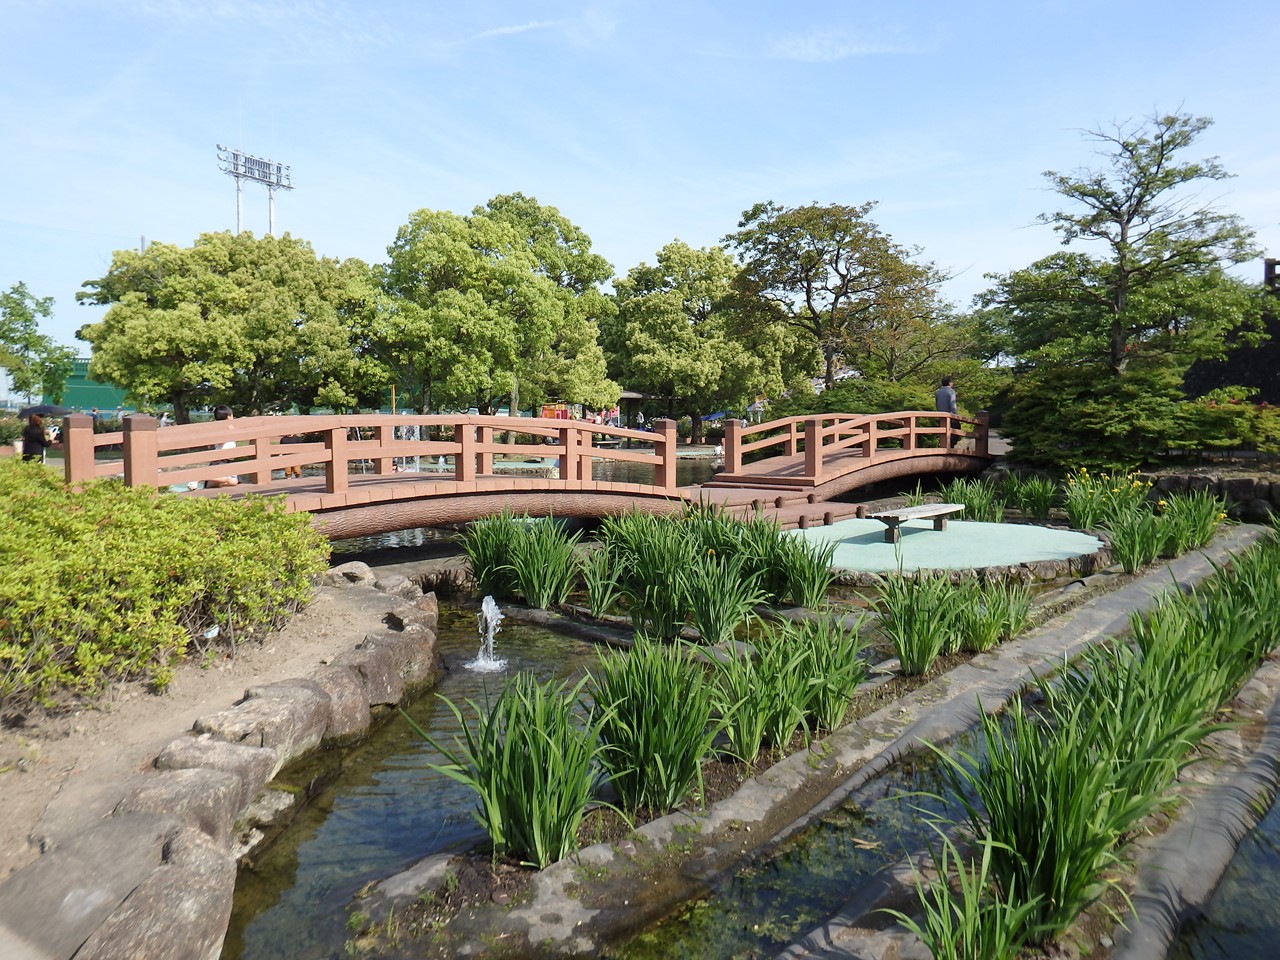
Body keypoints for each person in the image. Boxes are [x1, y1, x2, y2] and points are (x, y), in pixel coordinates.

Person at [205, 405, 240, 488]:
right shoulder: (220, 429)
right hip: (220, 460)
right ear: (228, 417)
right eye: (232, 416)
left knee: (233, 481)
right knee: (229, 480)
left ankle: (209, 482)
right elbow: (220, 442)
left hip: (228, 460)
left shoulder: (231, 427)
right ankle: (201, 478)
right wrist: (228, 432)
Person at [935, 377, 959, 447]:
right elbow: (953, 405)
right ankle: (950, 447)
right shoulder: (951, 391)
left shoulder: (938, 392)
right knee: (955, 432)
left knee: (943, 432)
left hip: (941, 415)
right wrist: (954, 415)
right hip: (950, 415)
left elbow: (937, 404)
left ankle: (942, 445)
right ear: (949, 383)